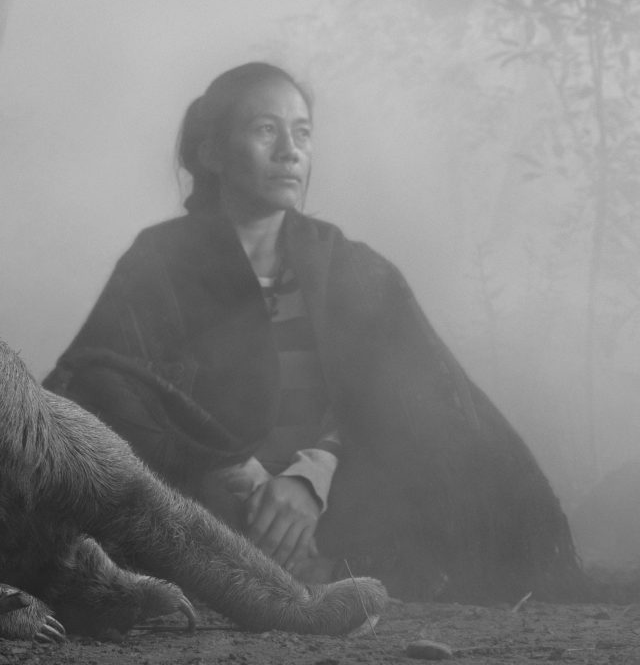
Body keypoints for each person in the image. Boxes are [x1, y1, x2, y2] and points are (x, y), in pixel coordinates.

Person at [43, 62, 584, 602]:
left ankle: (327, 565)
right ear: (212, 153)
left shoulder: (354, 269)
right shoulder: (158, 261)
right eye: (265, 130)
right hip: (199, 501)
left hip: (343, 503)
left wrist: (312, 476)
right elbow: (101, 388)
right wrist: (223, 469)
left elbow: (417, 400)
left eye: (302, 133)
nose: (289, 151)